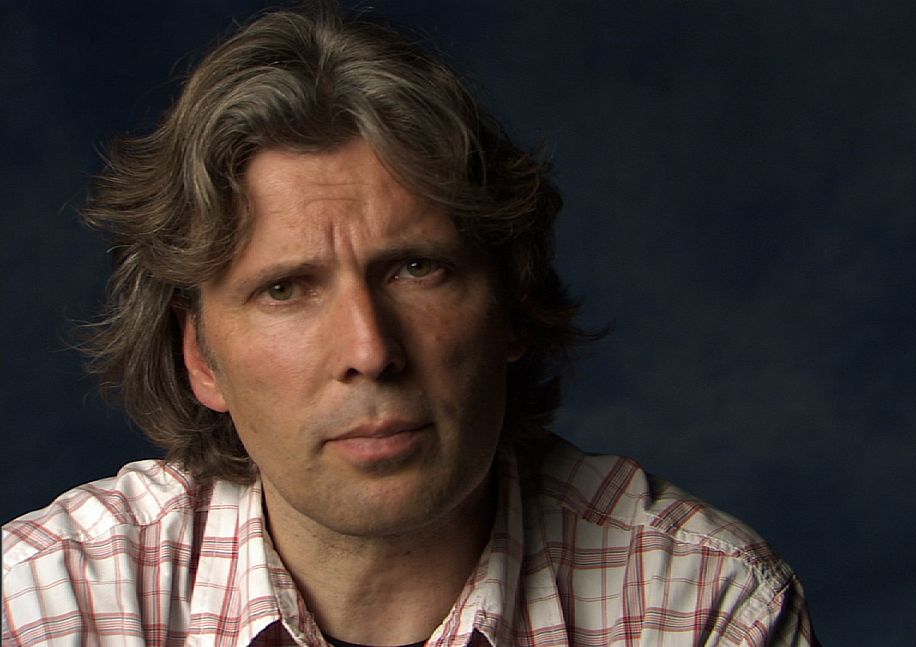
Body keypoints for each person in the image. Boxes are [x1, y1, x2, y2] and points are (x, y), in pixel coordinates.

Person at [2, 3, 819, 646]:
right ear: (200, 357)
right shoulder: (45, 605)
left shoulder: (701, 607)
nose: (370, 350)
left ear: (508, 304)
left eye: (416, 269)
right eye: (286, 289)